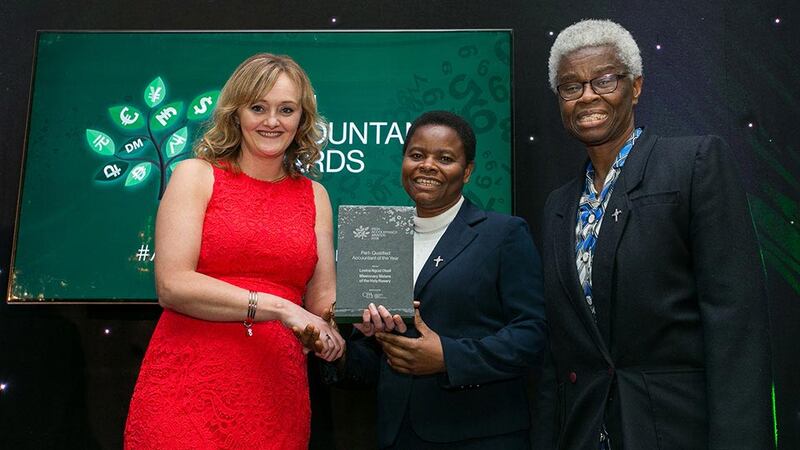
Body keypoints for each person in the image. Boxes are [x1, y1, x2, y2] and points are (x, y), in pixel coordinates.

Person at [531, 19, 773, 449]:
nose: (588, 95)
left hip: (676, 429)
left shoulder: (694, 164)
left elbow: (735, 324)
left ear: (636, 87)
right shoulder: (559, 205)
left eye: (604, 80)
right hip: (586, 432)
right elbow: (559, 349)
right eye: (571, 87)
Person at [124, 53, 344, 450]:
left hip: (275, 396)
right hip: (185, 394)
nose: (272, 121)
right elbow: (172, 285)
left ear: (302, 119)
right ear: (236, 113)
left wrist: (346, 324)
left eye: (286, 109)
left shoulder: (316, 196)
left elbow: (321, 301)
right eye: (258, 107)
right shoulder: (196, 175)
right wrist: (280, 307)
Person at [318, 111, 547, 449]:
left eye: (445, 158)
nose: (427, 165)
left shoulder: (504, 234)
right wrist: (339, 353)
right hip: (397, 435)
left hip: (480, 434)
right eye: (417, 155)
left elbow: (532, 335)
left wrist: (448, 357)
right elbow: (378, 357)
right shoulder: (378, 238)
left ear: (466, 171)